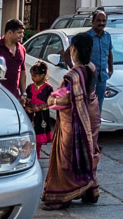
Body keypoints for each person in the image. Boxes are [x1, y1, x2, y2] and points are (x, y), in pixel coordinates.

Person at [41, 31, 101, 209]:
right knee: (88, 150)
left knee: (68, 156)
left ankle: (62, 196)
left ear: (74, 49)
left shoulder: (73, 75)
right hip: (92, 113)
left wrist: (51, 100)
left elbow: (69, 99)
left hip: (75, 119)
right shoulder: (92, 67)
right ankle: (90, 190)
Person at [0, 19, 28, 99]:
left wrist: (23, 93)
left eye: (22, 33)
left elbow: (22, 71)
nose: (22, 35)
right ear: (10, 32)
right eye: (19, 32)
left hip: (15, 97)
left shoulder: (22, 49)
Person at [25, 61, 56, 153]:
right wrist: (27, 107)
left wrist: (39, 107)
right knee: (29, 139)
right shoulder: (30, 87)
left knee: (38, 140)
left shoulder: (48, 88)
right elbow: (27, 100)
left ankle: (37, 155)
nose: (32, 78)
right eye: (32, 76)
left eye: (35, 76)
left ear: (42, 75)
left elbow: (50, 102)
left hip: (41, 117)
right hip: (31, 116)